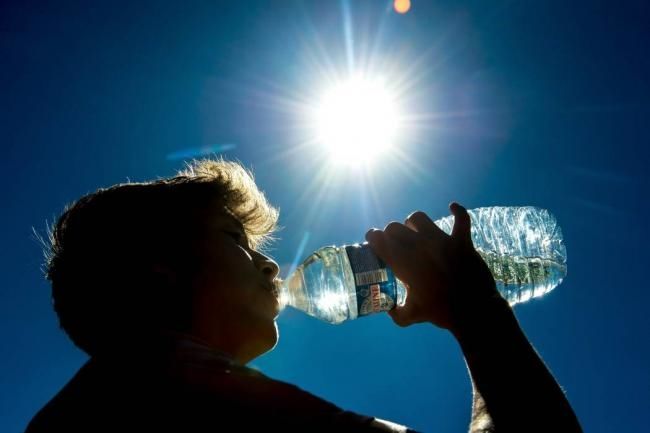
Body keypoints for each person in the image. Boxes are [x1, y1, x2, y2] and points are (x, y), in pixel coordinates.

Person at [25, 159, 582, 432]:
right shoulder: (176, 395)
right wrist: (478, 312)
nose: (269, 263)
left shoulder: (117, 397)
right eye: (234, 240)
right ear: (160, 271)